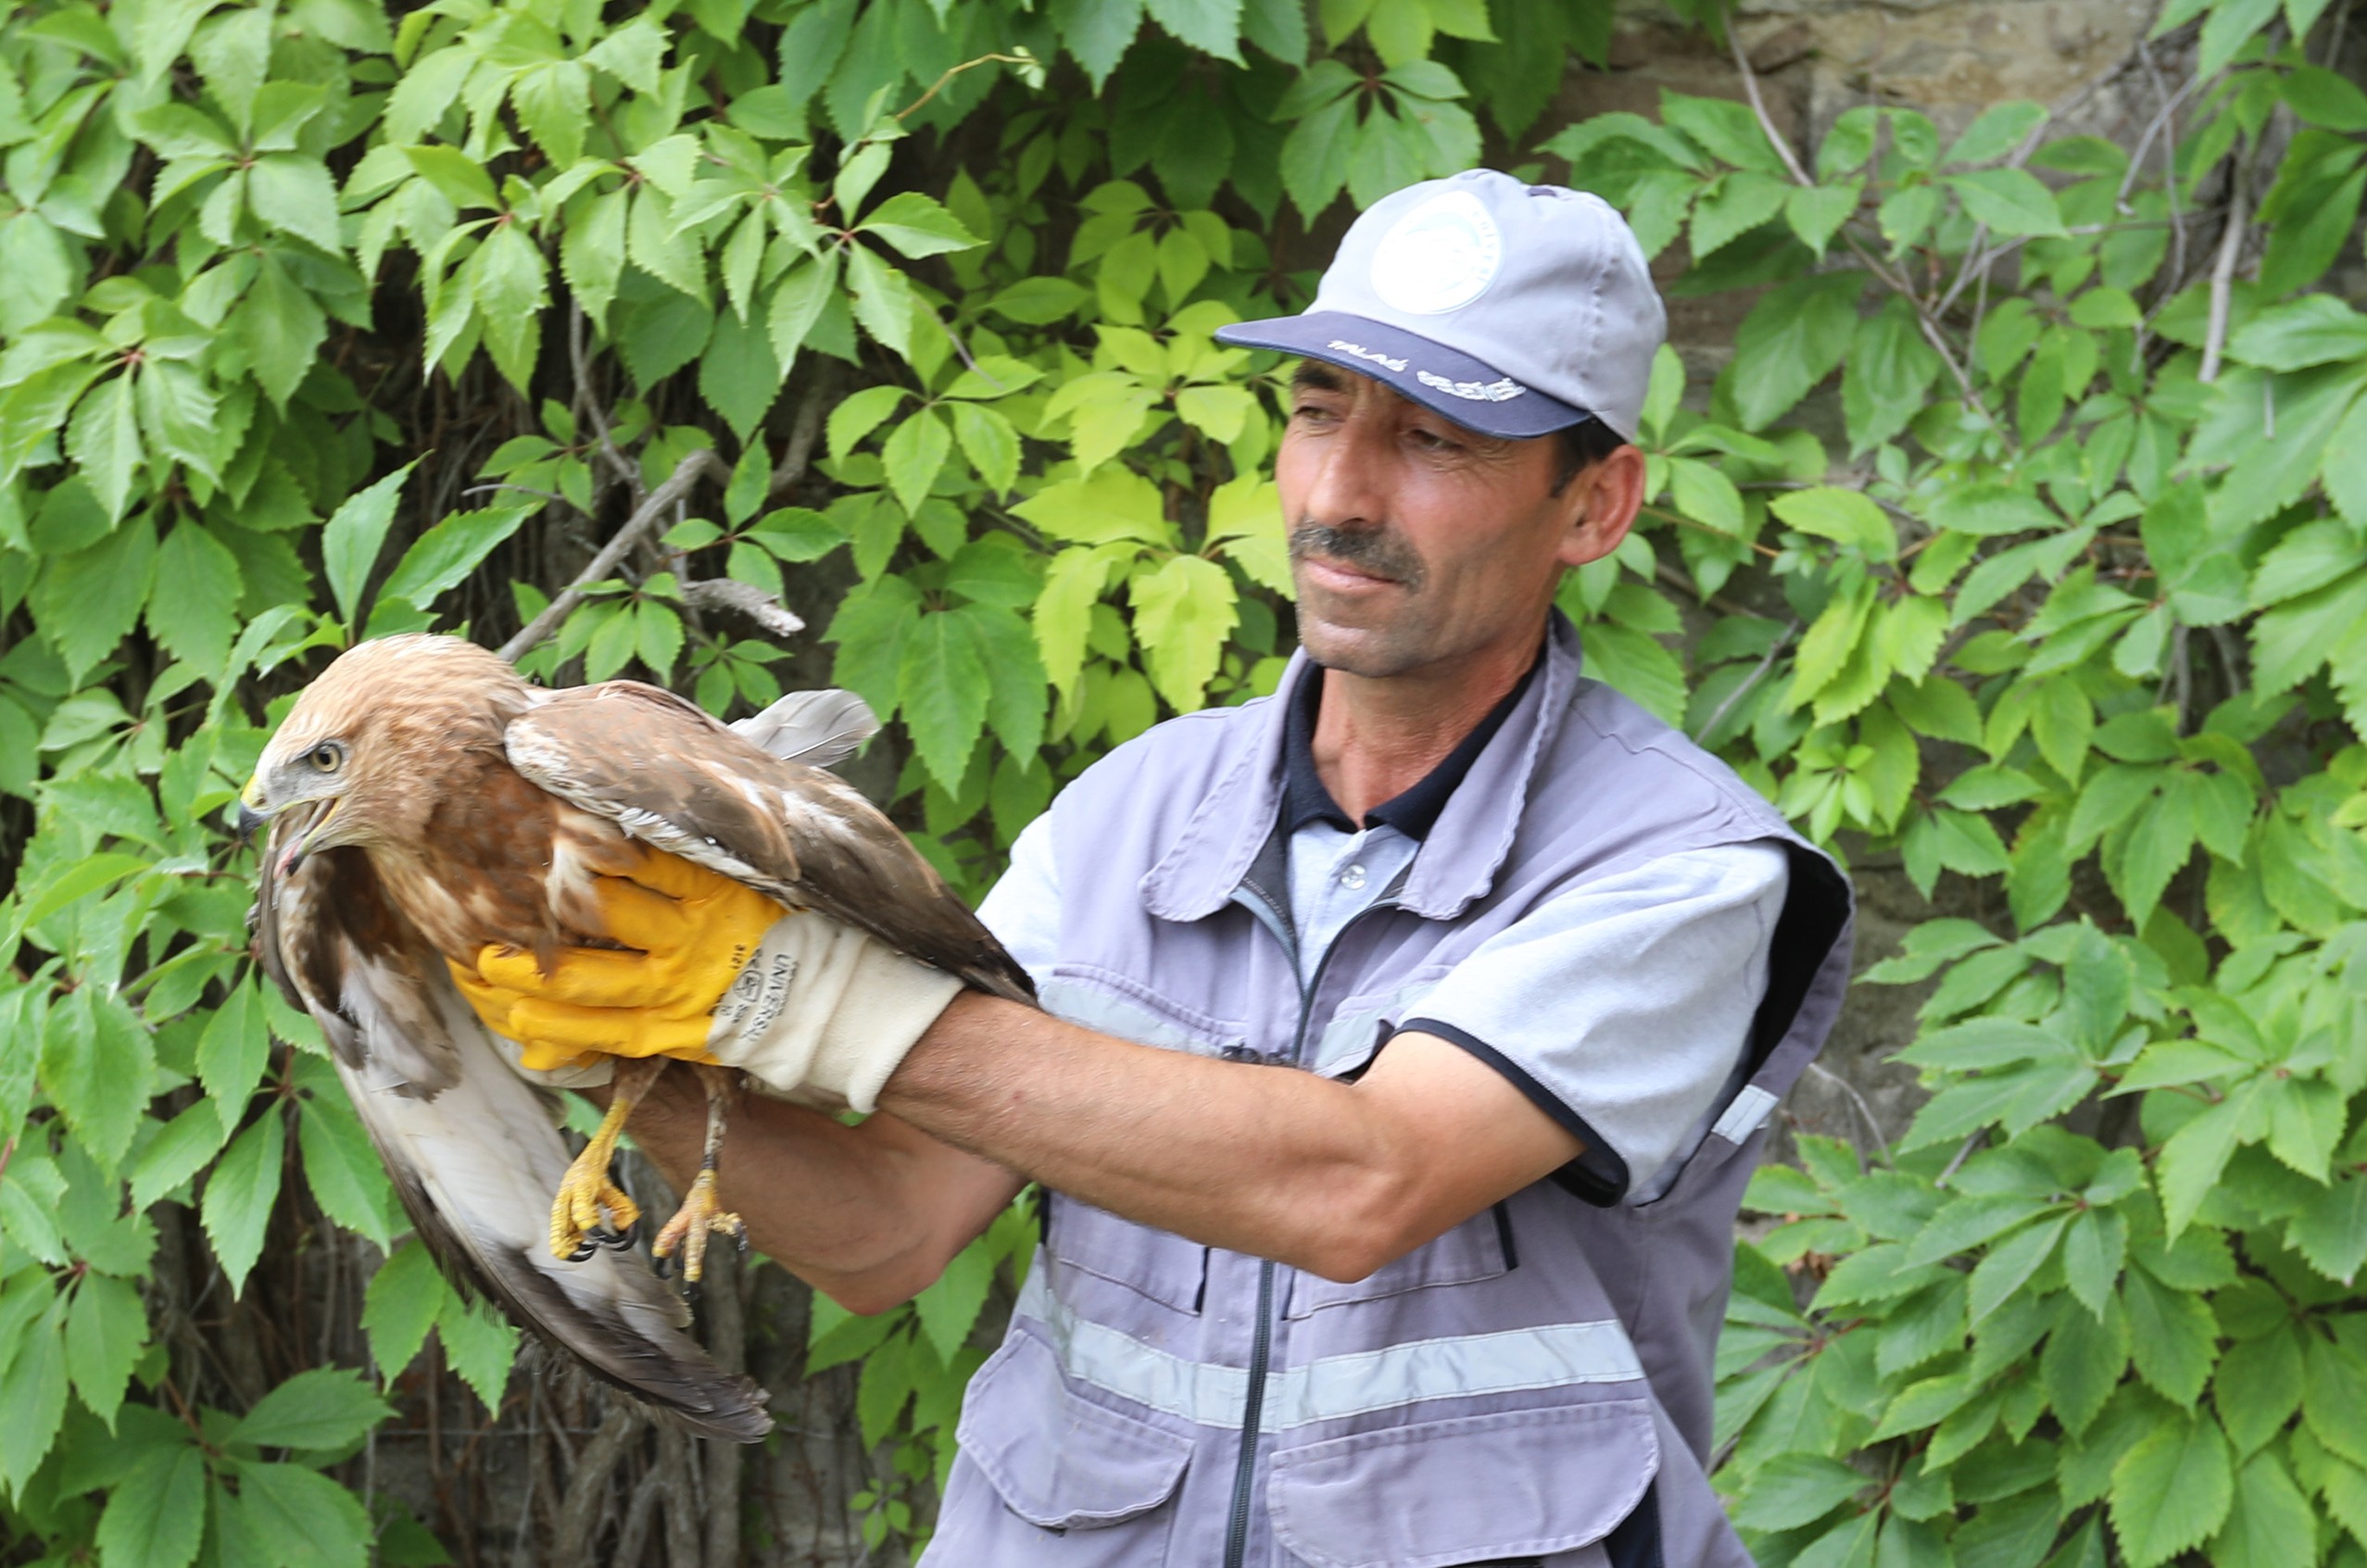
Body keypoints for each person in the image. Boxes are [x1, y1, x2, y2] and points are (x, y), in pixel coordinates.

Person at [461, 169, 1855, 1567]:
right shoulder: (1129, 813)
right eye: (1318, 411)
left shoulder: (1684, 869)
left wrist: (790, 997)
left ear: (1595, 505)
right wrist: (630, 1045)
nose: (1340, 493)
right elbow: (887, 1232)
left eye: (1434, 439)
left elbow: (1360, 1183)